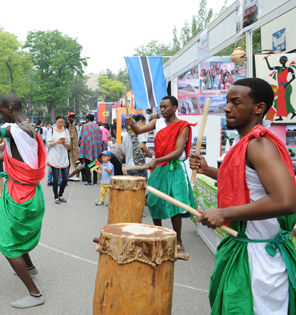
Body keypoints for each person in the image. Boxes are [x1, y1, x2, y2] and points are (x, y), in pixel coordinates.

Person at [189, 78, 296, 314]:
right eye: (227, 102)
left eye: (235, 102)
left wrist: (224, 213)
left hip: (261, 258)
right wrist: (208, 170)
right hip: (247, 250)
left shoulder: (260, 144)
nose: (227, 107)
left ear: (258, 108)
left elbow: (285, 201)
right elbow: (248, 184)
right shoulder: (245, 142)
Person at [0, 86, 47, 309]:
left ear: (8, 109)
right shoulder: (26, 128)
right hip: (27, 191)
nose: (0, 116)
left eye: (0, 111)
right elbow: (11, 153)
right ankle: (30, 268)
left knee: (6, 242)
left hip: (20, 194)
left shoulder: (18, 130)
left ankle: (35, 294)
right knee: (15, 234)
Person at [125, 96, 196, 253]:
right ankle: (159, 237)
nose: (162, 109)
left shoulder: (183, 126)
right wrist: (130, 125)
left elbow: (178, 152)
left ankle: (178, 240)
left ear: (175, 107)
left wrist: (157, 160)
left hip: (174, 168)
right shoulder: (157, 122)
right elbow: (138, 131)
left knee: (176, 203)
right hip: (158, 168)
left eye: (166, 107)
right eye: (161, 107)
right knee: (155, 201)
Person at [46, 114, 70, 204]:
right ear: (56, 121)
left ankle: (61, 194)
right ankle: (56, 196)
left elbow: (69, 144)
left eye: (62, 122)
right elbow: (48, 143)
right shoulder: (51, 130)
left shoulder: (66, 130)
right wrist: (57, 142)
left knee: (65, 178)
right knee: (55, 179)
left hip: (63, 156)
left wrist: (64, 143)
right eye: (59, 122)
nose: (61, 124)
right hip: (54, 156)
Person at [78, 114, 103, 186]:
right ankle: (95, 181)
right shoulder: (97, 127)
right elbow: (100, 138)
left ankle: (89, 181)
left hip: (86, 147)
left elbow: (81, 137)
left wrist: (80, 145)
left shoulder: (84, 126)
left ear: (88, 119)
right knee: (95, 163)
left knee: (87, 164)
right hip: (95, 147)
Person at [67, 113, 80, 181]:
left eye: (74, 117)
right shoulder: (66, 125)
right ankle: (68, 174)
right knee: (68, 161)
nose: (73, 118)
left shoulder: (74, 125)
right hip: (69, 147)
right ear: (68, 118)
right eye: (71, 117)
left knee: (75, 160)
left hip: (75, 147)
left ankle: (73, 174)